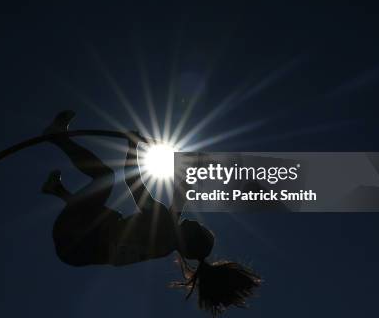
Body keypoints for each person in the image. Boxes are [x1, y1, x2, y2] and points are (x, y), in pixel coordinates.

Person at [42, 111, 261, 316]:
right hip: (74, 251)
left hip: (73, 237)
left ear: (189, 232)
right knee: (113, 221)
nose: (192, 221)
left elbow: (133, 182)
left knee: (104, 177)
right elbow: (174, 209)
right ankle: (57, 190)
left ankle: (57, 138)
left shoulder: (164, 227)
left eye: (196, 225)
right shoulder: (164, 245)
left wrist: (132, 145)